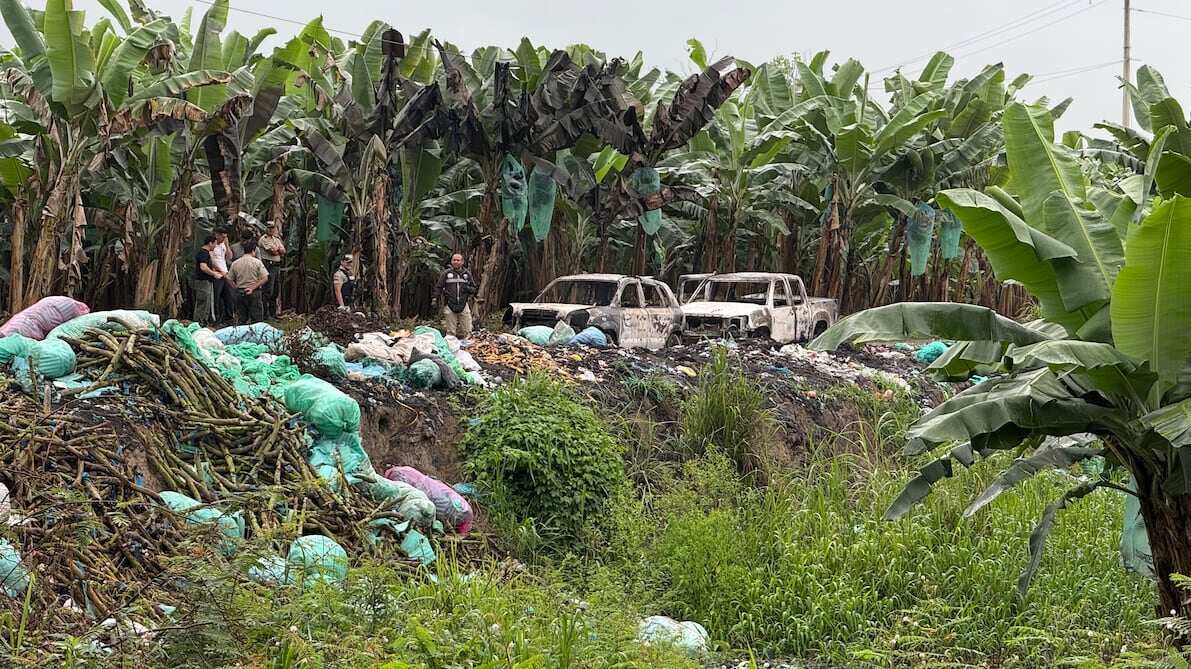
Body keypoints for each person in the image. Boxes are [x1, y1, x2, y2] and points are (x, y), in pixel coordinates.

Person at [227, 239, 269, 323]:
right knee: (257, 319)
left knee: (241, 318)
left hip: (240, 291)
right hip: (254, 292)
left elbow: (229, 278)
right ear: (253, 251)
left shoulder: (235, 263)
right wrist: (252, 288)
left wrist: (236, 288)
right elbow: (265, 278)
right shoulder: (257, 262)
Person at [434, 253, 476, 339]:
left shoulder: (467, 274)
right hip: (449, 304)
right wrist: (435, 299)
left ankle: (468, 347)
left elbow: (474, 288)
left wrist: (467, 288)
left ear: (462, 262)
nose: (456, 262)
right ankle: (451, 347)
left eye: (458, 260)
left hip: (463, 304)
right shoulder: (446, 274)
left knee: (468, 329)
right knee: (450, 332)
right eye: (454, 260)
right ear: (451, 261)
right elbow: (439, 287)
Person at [257, 222, 286, 319]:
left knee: (275, 290)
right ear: (266, 229)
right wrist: (278, 250)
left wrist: (278, 250)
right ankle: (266, 314)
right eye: (269, 228)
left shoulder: (276, 239)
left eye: (273, 228)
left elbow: (283, 251)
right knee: (268, 290)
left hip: (277, 266)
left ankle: (273, 313)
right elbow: (273, 252)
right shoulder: (263, 239)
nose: (271, 230)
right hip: (268, 265)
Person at [193, 235, 222, 325]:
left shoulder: (206, 253)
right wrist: (214, 274)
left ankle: (203, 322)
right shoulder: (203, 253)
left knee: (206, 303)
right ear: (210, 243)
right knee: (203, 303)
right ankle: (199, 322)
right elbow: (203, 267)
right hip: (203, 282)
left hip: (206, 282)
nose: (215, 246)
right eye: (215, 244)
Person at [210, 227, 235, 322]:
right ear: (217, 235)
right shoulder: (212, 245)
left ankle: (229, 317)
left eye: (225, 237)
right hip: (217, 274)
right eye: (222, 237)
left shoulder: (223, 244)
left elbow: (230, 256)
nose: (223, 239)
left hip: (225, 272)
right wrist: (221, 272)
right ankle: (216, 318)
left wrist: (227, 245)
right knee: (217, 297)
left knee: (228, 296)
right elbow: (212, 261)